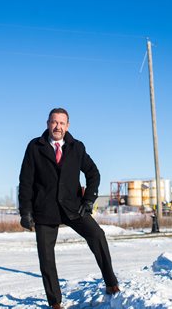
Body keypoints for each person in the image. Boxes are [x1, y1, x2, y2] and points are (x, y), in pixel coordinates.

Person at [18, 108, 119, 309]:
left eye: (62, 123)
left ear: (68, 125)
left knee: (97, 235)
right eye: (54, 122)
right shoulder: (35, 147)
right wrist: (26, 211)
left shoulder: (76, 147)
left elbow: (93, 174)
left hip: (74, 208)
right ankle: (55, 302)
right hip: (45, 210)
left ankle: (111, 283)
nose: (58, 127)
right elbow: (26, 181)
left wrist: (89, 200)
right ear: (47, 123)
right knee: (46, 256)